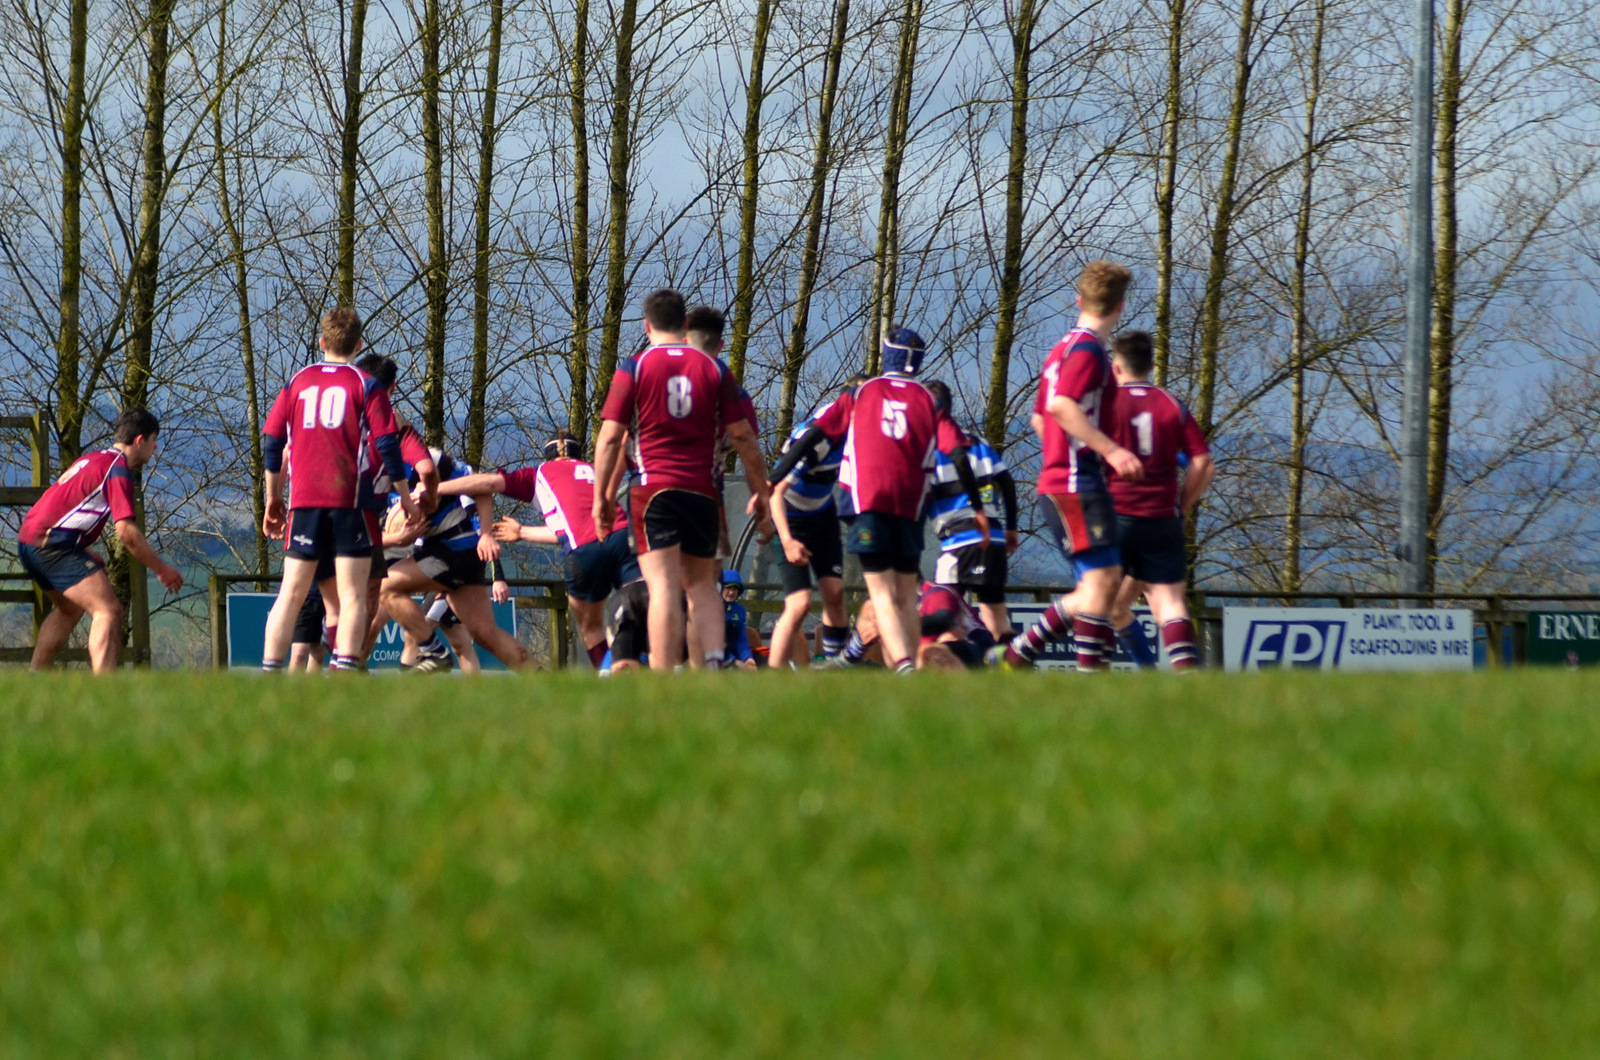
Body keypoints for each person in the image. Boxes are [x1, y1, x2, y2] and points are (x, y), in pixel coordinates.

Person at [592, 288, 771, 671]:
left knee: (662, 588)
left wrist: (601, 498)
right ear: (684, 323)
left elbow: (611, 439)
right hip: (704, 489)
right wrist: (762, 494)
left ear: (646, 325)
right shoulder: (715, 369)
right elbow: (743, 437)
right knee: (704, 585)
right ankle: (712, 664)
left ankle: (664, 675)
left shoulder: (635, 367)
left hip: (652, 488)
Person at [800, 326, 989, 673]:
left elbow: (813, 436)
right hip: (909, 513)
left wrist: (776, 477)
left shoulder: (865, 396)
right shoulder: (925, 407)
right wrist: (978, 508)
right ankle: (869, 662)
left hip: (876, 509)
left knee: (886, 601)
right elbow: (960, 458)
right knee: (890, 602)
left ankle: (902, 665)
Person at [259, 308, 420, 672]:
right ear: (359, 345)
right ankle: (345, 671)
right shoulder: (366, 384)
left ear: (322, 342)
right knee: (352, 597)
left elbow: (272, 442)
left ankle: (269, 673)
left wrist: (273, 498)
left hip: (304, 501)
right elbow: (388, 444)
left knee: (290, 593)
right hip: (350, 501)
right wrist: (405, 497)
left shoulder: (298, 381)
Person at [1000, 262, 1142, 672]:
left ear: (1079, 300)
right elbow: (1062, 407)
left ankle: (1019, 653)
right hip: (1077, 484)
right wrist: (1109, 451)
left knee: (1099, 584)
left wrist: (1059, 459)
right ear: (1121, 306)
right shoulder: (1088, 351)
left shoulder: (1062, 347)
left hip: (1066, 480)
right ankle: (1084, 675)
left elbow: (1039, 418)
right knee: (1103, 582)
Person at [439, 430, 637, 670]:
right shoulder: (594, 471)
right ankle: (648, 664)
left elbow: (488, 483)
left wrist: (435, 488)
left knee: (591, 628)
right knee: (638, 603)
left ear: (547, 455)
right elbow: (569, 530)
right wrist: (522, 532)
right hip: (624, 538)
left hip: (584, 550)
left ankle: (610, 673)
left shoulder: (539, 473)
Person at [17, 408, 183, 672]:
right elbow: (126, 533)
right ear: (139, 440)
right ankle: (103, 687)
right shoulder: (118, 470)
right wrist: (161, 569)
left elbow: (65, 509)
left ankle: (34, 675)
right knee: (108, 610)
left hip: (29, 542)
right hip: (52, 546)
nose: (155, 447)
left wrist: (84, 551)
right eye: (154, 440)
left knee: (70, 609)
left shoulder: (93, 459)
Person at [1102, 330, 1213, 669]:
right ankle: (1180, 676)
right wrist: (1181, 508)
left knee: (1101, 603)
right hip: (1162, 520)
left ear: (1115, 367)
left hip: (1118, 517)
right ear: (1151, 365)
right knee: (1165, 604)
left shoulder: (1105, 404)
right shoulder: (1170, 404)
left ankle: (1147, 672)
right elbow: (1204, 464)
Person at [378, 434, 528, 672]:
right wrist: (396, 539)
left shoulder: (432, 462)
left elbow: (482, 486)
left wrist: (487, 537)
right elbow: (365, 537)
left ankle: (433, 653)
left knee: (388, 590)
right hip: (446, 555)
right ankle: (546, 681)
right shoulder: (371, 479)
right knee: (483, 635)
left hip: (454, 551)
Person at [764, 376, 859, 669]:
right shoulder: (820, 439)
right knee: (799, 604)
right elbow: (775, 493)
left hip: (822, 516)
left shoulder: (854, 433)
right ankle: (772, 675)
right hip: (790, 521)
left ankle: (834, 667)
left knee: (835, 593)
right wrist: (788, 541)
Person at [922, 380, 1019, 642]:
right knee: (996, 614)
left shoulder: (930, 447)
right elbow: (1007, 482)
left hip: (959, 541)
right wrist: (1011, 528)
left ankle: (947, 662)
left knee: (944, 611)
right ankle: (1010, 662)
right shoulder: (979, 442)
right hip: (994, 539)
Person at [914, 580, 996, 670]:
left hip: (976, 645)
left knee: (928, 652)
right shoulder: (908, 603)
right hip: (949, 648)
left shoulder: (936, 592)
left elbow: (942, 620)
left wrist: (905, 627)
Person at [720, 568, 758, 670]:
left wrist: (748, 658)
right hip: (719, 658)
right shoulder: (712, 609)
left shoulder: (740, 610)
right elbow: (713, 644)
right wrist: (733, 661)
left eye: (735, 589)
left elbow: (741, 639)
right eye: (728, 588)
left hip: (734, 654)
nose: (731, 592)